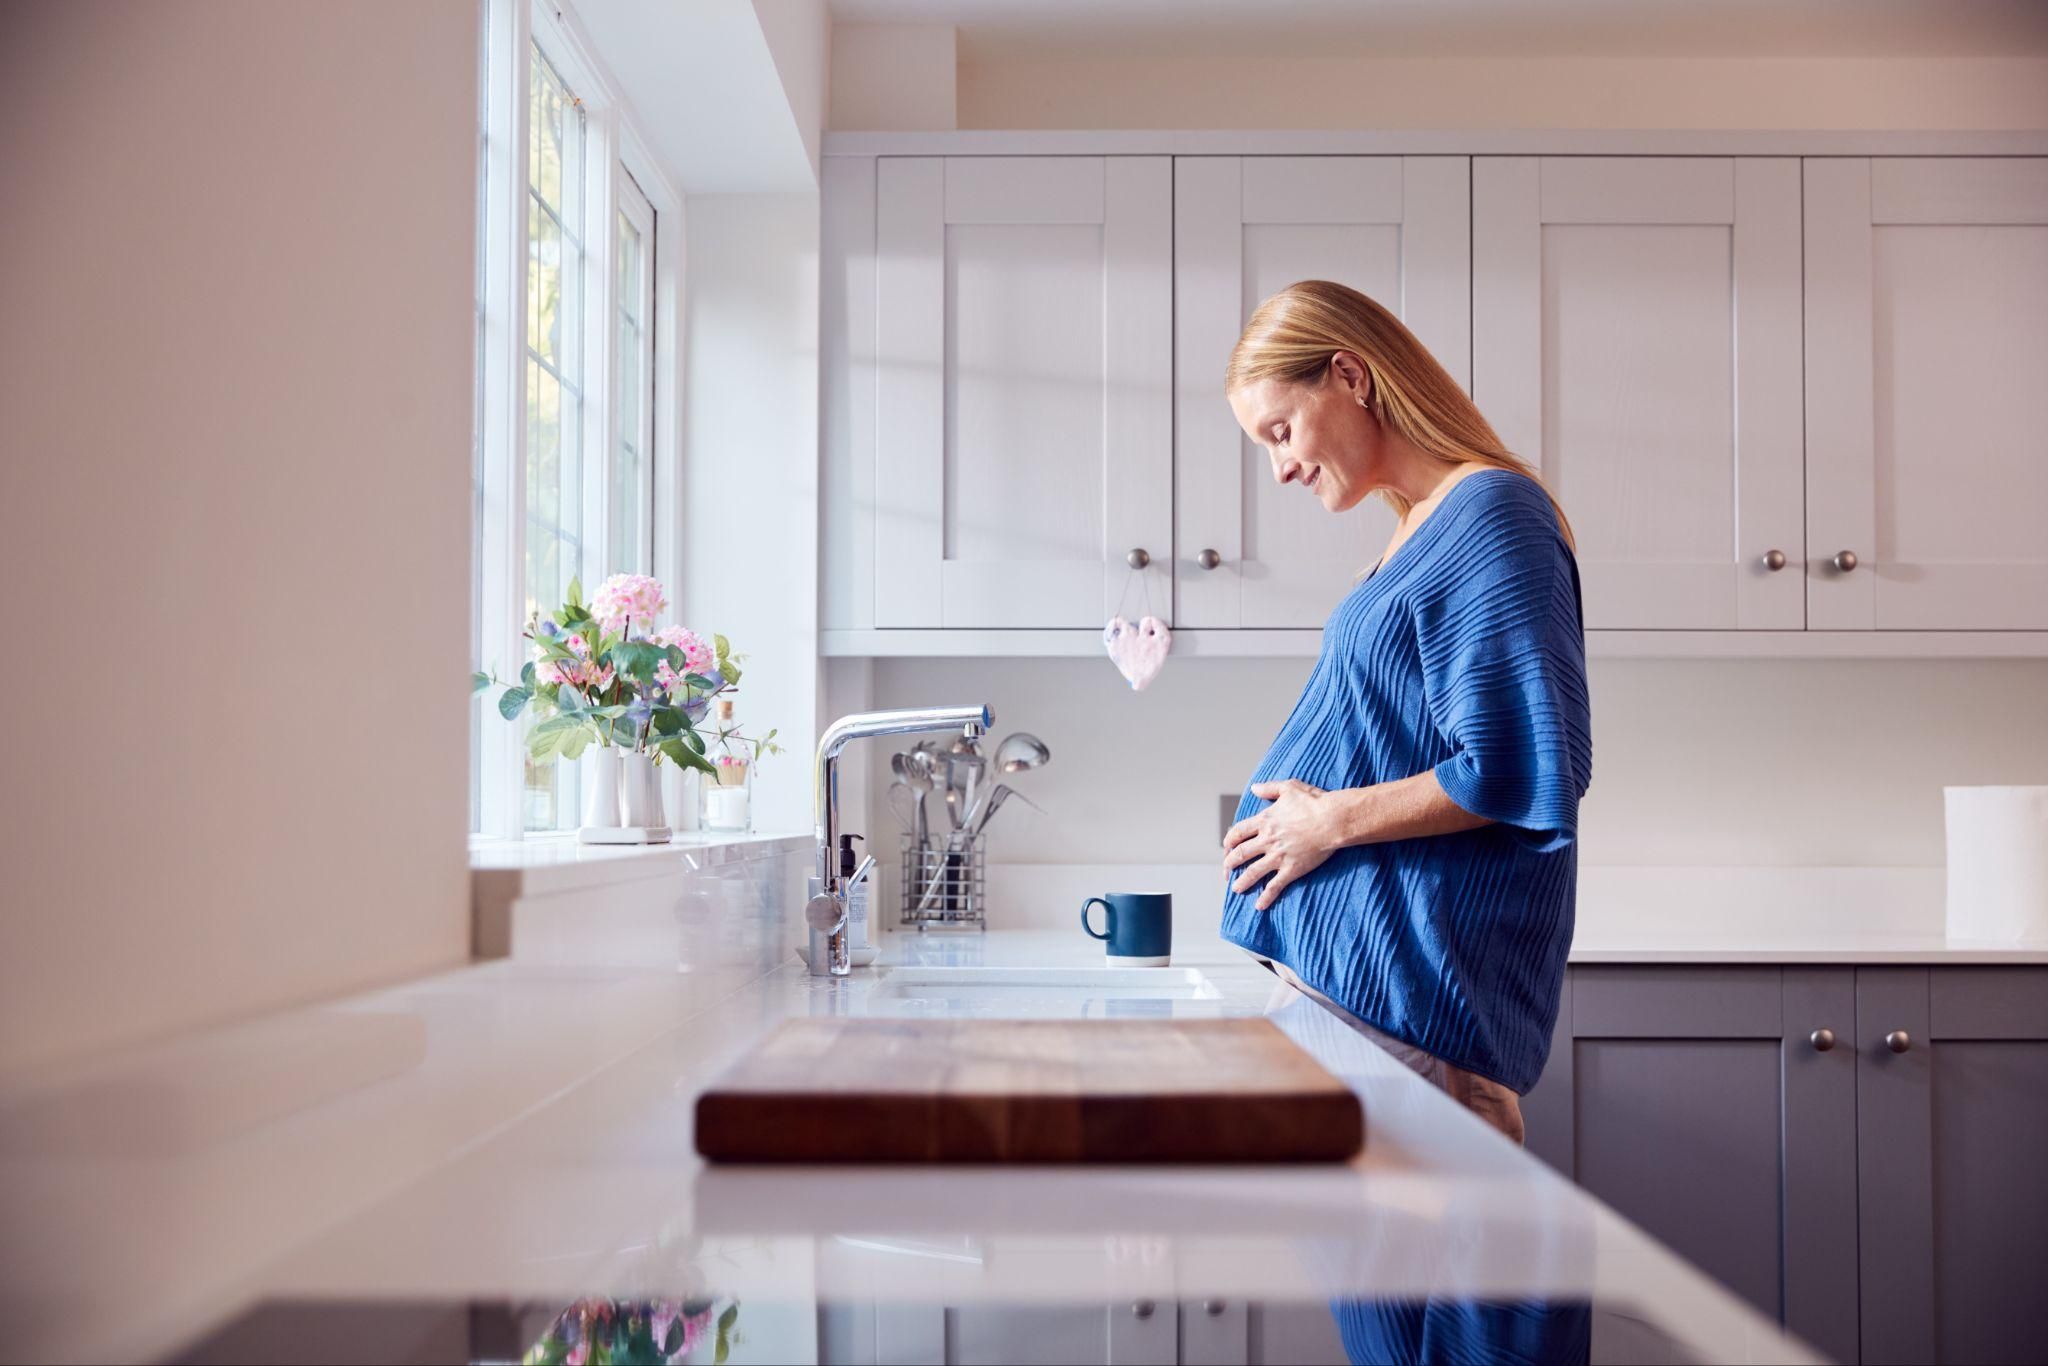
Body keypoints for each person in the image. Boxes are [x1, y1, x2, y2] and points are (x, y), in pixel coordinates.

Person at [1218, 279, 1592, 1143]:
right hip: (1367, 1004)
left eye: (1281, 431)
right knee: (1383, 1279)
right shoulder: (1421, 524)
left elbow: (1522, 765)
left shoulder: (1491, 516)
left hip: (1413, 1006)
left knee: (1424, 1274)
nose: (1279, 467)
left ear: (1350, 375)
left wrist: (1330, 823)